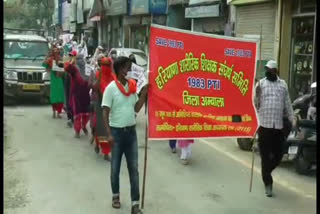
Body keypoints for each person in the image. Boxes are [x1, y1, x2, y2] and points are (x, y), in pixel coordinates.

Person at [102, 56, 147, 214]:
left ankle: (135, 204)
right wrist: (108, 134)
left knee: (133, 168)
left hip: (131, 133)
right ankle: (116, 196)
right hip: (116, 133)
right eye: (127, 68)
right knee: (115, 168)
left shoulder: (132, 87)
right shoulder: (111, 89)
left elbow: (135, 109)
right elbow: (105, 112)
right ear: (120, 69)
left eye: (130, 67)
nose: (129, 71)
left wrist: (143, 94)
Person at [254, 60, 294, 197]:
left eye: (270, 69)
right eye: (266, 69)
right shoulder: (260, 84)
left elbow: (287, 104)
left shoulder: (283, 85)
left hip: (278, 127)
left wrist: (292, 119)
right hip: (264, 126)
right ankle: (268, 184)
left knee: (278, 155)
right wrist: (257, 94)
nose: (268, 71)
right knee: (265, 157)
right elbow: (255, 104)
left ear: (275, 70)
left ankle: (266, 172)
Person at [90, 56, 115, 161]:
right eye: (104, 65)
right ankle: (98, 145)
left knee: (109, 129)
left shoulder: (113, 76)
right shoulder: (96, 74)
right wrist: (99, 78)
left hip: (112, 107)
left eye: (108, 65)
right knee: (101, 129)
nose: (106, 67)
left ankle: (106, 152)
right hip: (100, 105)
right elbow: (94, 87)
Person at [64, 50, 91, 138]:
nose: (81, 62)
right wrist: (71, 62)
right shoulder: (74, 68)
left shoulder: (87, 68)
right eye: (78, 59)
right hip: (76, 94)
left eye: (81, 60)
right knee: (78, 114)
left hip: (86, 94)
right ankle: (77, 130)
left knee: (86, 113)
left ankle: (83, 126)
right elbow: (66, 68)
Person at [42, 45, 65, 119]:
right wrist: (47, 56)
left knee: (59, 98)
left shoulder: (60, 59)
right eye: (54, 51)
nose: (56, 52)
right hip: (54, 80)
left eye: (57, 51)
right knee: (54, 97)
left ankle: (58, 113)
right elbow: (44, 64)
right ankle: (54, 112)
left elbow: (63, 69)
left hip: (59, 80)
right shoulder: (50, 59)